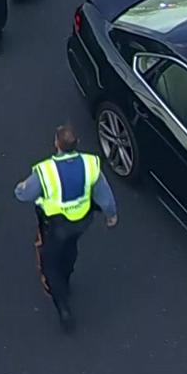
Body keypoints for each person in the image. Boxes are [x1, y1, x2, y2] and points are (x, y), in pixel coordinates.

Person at [15, 125, 118, 330]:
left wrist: (21, 187)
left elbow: (23, 194)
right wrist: (111, 215)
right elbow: (104, 195)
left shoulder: (46, 171)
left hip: (56, 226)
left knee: (50, 265)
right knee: (71, 250)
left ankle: (63, 306)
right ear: (76, 144)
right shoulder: (90, 164)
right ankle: (68, 277)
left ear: (56, 144)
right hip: (81, 222)